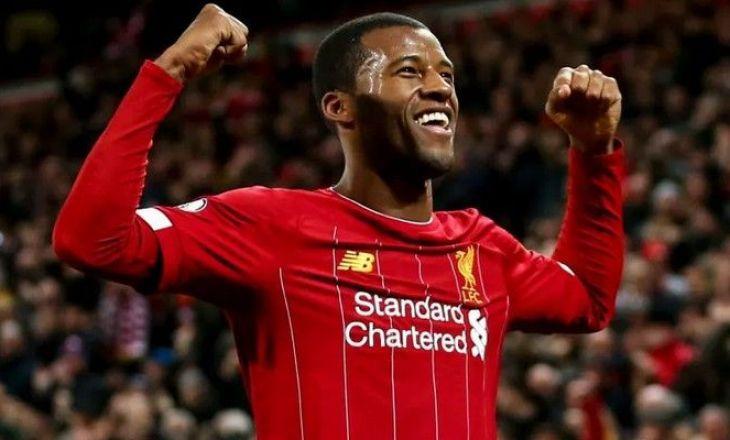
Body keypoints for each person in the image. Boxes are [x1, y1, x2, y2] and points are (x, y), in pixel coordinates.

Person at [52, 4, 625, 439]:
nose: (438, 88)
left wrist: (593, 151)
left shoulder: (483, 249)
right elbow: (92, 240)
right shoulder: (271, 226)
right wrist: (168, 72)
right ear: (339, 107)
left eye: (447, 76)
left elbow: (587, 297)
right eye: (409, 71)